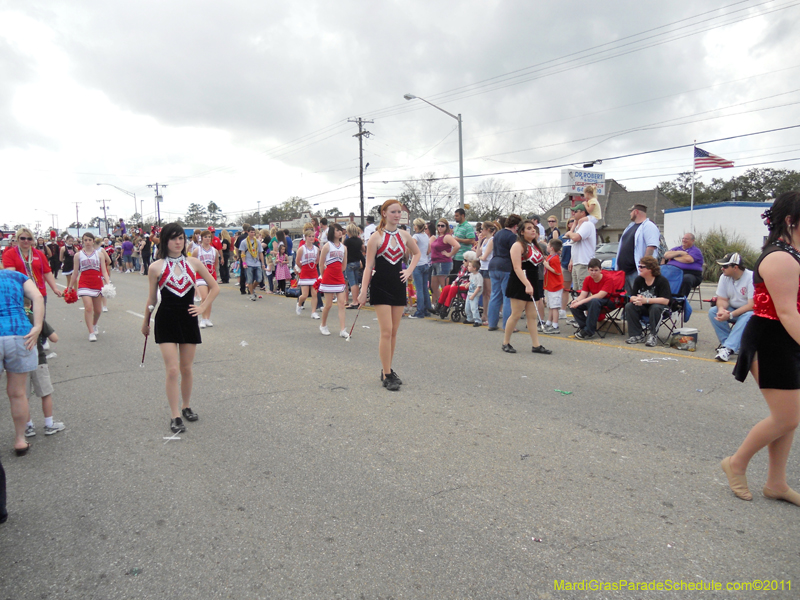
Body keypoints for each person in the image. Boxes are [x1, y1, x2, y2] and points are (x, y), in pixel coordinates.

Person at [723, 191, 800, 507]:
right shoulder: (780, 257)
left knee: (789, 416)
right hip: (771, 340)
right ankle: (736, 463)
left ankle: (776, 483)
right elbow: (786, 311)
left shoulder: (790, 253)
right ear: (790, 221)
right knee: (786, 417)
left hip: (786, 338)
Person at [142, 223, 219, 434]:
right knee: (173, 369)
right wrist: (146, 321)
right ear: (165, 241)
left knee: (186, 368)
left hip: (188, 319)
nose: (178, 242)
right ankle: (175, 415)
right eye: (173, 238)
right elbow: (151, 298)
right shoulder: (155, 267)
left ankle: (186, 406)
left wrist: (202, 307)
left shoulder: (193, 262)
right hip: (165, 318)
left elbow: (214, 287)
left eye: (181, 238)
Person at [359, 200, 420, 391]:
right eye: (393, 212)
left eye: (399, 212)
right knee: (386, 331)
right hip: (380, 286)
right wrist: (362, 292)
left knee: (394, 332)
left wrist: (409, 270)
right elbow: (368, 266)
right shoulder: (375, 237)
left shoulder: (404, 235)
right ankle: (387, 374)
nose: (397, 215)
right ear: (384, 213)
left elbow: (417, 254)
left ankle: (387, 369)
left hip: (398, 284)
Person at [0, 265, 44, 458]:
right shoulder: (17, 276)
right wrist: (38, 326)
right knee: (17, 393)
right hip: (19, 332)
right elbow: (38, 297)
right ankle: (19, 439)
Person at [501, 220, 552, 355]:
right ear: (522, 232)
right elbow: (517, 267)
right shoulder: (517, 246)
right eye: (529, 228)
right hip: (520, 282)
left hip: (533, 280)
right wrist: (527, 284)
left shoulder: (535, 245)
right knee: (516, 314)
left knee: (532, 315)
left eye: (534, 228)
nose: (533, 230)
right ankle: (506, 342)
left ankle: (536, 345)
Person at [23, 299, 65, 438]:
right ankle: (49, 424)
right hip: (38, 360)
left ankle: (28, 426)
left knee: (22, 396)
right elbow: (54, 338)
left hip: (18, 363)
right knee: (45, 393)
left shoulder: (12, 318)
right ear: (30, 304)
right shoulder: (35, 317)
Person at [709, 252, 754, 362]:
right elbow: (722, 299)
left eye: (725, 266)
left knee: (748, 315)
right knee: (713, 311)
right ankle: (730, 345)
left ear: (735, 267)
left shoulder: (751, 278)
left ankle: (728, 348)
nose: (722, 269)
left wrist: (730, 315)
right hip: (733, 309)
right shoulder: (724, 277)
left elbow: (752, 305)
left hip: (749, 311)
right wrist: (721, 310)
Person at [2, 227, 62, 305]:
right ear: (18, 239)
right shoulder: (9, 254)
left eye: (29, 238)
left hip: (39, 292)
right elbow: (11, 273)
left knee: (39, 317)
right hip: (20, 293)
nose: (26, 241)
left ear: (32, 240)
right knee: (23, 317)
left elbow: (47, 272)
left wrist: (55, 289)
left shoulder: (39, 254)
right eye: (22, 238)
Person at [624, 255, 672, 347]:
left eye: (642, 267)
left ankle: (653, 335)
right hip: (644, 307)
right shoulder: (639, 280)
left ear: (650, 269)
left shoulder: (661, 281)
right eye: (639, 266)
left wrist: (646, 300)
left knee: (655, 307)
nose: (639, 268)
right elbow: (632, 297)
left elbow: (665, 300)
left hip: (660, 308)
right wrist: (637, 299)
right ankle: (637, 335)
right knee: (630, 306)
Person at [71, 232, 110, 341]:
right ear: (82, 241)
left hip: (96, 283)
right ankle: (91, 332)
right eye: (85, 240)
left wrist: (108, 283)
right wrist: (70, 287)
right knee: (88, 307)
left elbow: (104, 271)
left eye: (89, 240)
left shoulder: (100, 255)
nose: (87, 242)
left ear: (93, 241)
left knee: (98, 310)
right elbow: (75, 272)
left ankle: (94, 324)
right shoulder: (78, 255)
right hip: (84, 283)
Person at [616, 203, 660, 295]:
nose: (630, 214)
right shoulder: (630, 227)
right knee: (628, 299)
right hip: (624, 272)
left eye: (631, 212)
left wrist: (644, 265)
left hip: (636, 271)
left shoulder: (649, 226)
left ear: (636, 211)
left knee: (639, 296)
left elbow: (651, 246)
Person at [487, 214, 522, 331]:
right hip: (506, 266)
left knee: (495, 295)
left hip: (493, 264)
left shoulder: (497, 234)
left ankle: (492, 323)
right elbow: (515, 253)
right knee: (507, 296)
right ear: (516, 226)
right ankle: (508, 325)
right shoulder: (512, 237)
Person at [570, 258, 614, 341]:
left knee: (594, 301)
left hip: (608, 301)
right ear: (588, 270)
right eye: (591, 270)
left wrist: (580, 302)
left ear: (601, 270)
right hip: (594, 302)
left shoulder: (608, 279)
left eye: (596, 270)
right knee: (573, 305)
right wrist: (576, 301)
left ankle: (589, 331)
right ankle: (584, 327)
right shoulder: (588, 279)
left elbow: (600, 295)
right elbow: (583, 295)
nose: (593, 272)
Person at [319, 224, 349, 337]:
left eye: (340, 230)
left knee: (342, 303)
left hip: (339, 277)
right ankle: (323, 325)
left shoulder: (344, 247)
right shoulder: (327, 246)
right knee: (329, 304)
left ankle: (342, 330)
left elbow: (344, 264)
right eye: (337, 230)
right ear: (332, 232)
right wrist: (323, 275)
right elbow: (321, 263)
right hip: (328, 277)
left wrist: (339, 272)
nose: (340, 232)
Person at [564, 204, 596, 293]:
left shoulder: (587, 224)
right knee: (576, 291)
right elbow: (575, 245)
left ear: (583, 213)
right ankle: (578, 306)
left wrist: (569, 233)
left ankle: (585, 307)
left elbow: (575, 237)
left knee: (584, 291)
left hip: (584, 263)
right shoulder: (579, 226)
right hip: (577, 262)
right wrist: (571, 260)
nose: (573, 213)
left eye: (576, 211)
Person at [429, 218, 459, 311]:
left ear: (446, 227)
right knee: (433, 286)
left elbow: (457, 246)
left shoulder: (447, 236)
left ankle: (445, 306)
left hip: (443, 262)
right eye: (439, 225)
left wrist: (449, 254)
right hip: (434, 262)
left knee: (444, 285)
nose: (440, 227)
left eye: (442, 226)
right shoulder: (438, 237)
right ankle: (439, 303)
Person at [192, 229, 221, 328]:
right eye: (205, 237)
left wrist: (213, 272)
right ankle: (202, 319)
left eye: (209, 237)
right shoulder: (197, 250)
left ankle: (207, 318)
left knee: (209, 297)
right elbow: (193, 262)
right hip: (200, 275)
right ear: (202, 238)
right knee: (204, 296)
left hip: (211, 274)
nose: (208, 239)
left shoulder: (215, 250)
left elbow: (215, 263)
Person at [663, 232, 704, 297]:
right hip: (674, 272)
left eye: (686, 239)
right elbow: (666, 255)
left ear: (692, 241)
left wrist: (673, 257)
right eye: (683, 238)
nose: (684, 240)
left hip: (691, 274)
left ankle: (680, 300)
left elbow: (688, 259)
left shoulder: (695, 250)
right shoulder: (677, 248)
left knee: (686, 279)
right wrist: (680, 253)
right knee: (661, 277)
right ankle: (664, 297)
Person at [295, 229, 321, 319]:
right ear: (305, 237)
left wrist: (313, 266)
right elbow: (297, 261)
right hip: (305, 273)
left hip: (313, 273)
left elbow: (317, 260)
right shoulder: (302, 249)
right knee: (305, 295)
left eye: (313, 236)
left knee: (314, 294)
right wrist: (303, 268)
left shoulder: (316, 249)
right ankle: (299, 304)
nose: (311, 238)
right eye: (309, 236)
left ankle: (313, 312)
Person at [410, 219, 432, 319]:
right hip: (425, 262)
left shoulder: (415, 236)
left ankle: (420, 311)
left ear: (416, 226)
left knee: (419, 289)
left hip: (418, 264)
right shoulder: (426, 236)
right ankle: (427, 309)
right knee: (424, 288)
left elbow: (411, 246)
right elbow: (428, 250)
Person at [477, 221, 496, 326]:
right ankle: (484, 314)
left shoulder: (492, 240)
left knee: (489, 292)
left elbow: (484, 257)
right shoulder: (485, 241)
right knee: (484, 293)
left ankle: (490, 315)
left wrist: (479, 257)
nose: (481, 231)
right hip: (483, 268)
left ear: (488, 229)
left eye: (483, 229)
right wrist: (479, 241)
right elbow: (478, 254)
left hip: (489, 267)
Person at [239, 226, 266, 301]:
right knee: (249, 279)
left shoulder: (257, 242)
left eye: (254, 232)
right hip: (248, 263)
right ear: (248, 232)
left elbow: (261, 252)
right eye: (251, 232)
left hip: (256, 262)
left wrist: (263, 263)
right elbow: (243, 253)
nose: (253, 233)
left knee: (259, 279)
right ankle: (251, 294)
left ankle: (251, 288)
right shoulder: (244, 242)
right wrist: (244, 262)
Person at [543, 238, 564, 334]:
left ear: (551, 248)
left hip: (555, 286)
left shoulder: (555, 259)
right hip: (550, 285)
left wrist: (547, 266)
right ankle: (549, 322)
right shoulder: (550, 257)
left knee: (555, 307)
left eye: (548, 245)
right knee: (551, 306)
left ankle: (555, 325)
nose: (547, 246)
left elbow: (557, 272)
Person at [343, 223, 364, 308]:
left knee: (352, 283)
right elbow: (363, 249)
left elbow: (343, 250)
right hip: (357, 262)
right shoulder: (359, 241)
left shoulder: (347, 241)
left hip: (349, 262)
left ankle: (354, 301)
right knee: (356, 281)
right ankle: (357, 300)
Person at [451, 208, 476, 275]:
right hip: (455, 256)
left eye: (457, 216)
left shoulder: (468, 226)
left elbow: (472, 240)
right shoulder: (457, 226)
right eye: (455, 216)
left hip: (463, 257)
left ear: (462, 215)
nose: (455, 217)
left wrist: (459, 240)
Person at [465, 260, 483, 326]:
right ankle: (469, 318)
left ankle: (477, 320)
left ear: (474, 268)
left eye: (469, 266)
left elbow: (479, 287)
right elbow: (471, 281)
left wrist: (473, 295)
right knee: (467, 307)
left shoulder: (478, 276)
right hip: (469, 293)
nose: (468, 267)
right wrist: (468, 284)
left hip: (474, 295)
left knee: (474, 308)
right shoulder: (471, 275)